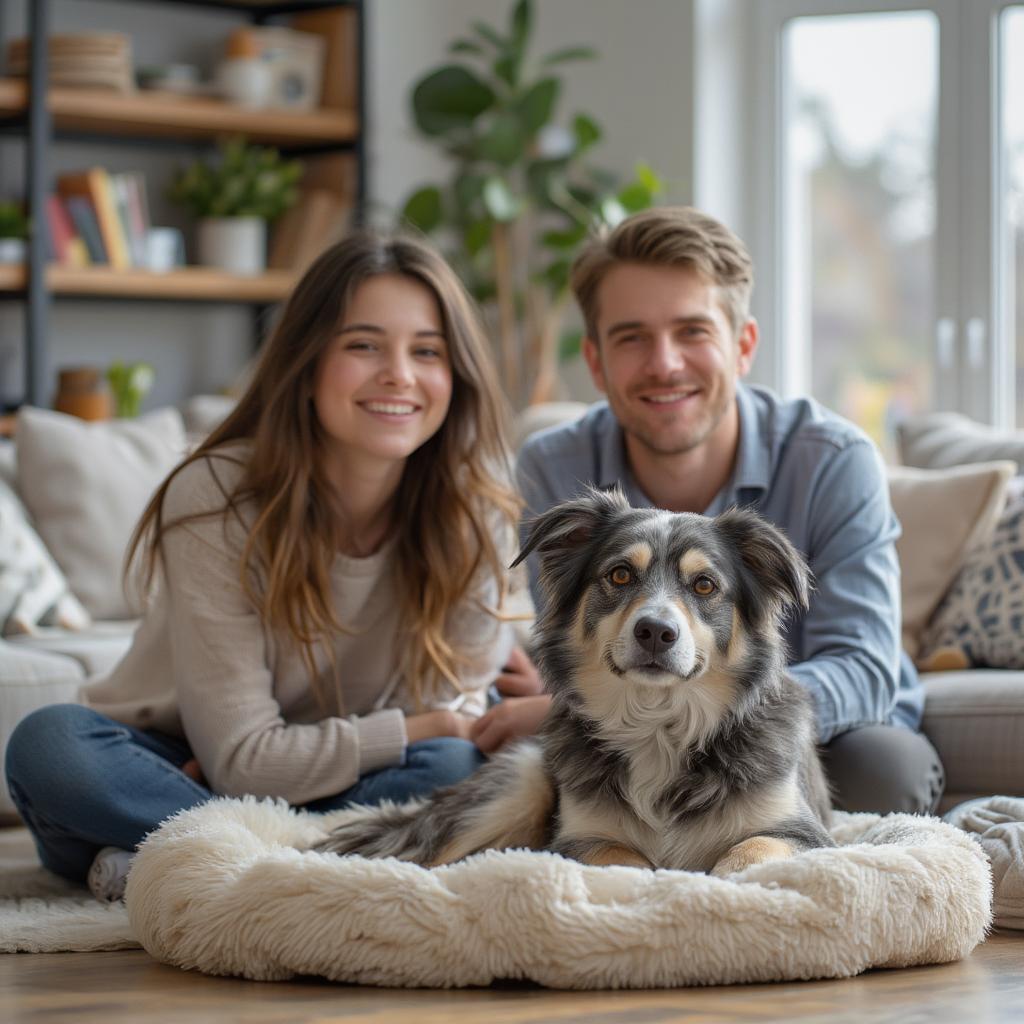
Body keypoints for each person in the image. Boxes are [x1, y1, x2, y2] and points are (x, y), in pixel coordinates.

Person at [5, 231, 529, 900]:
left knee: (452, 762)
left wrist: (264, 773)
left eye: (426, 351)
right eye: (363, 345)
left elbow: (447, 730)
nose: (399, 373)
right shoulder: (218, 494)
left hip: (349, 770)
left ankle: (186, 857)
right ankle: (302, 861)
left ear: (455, 375)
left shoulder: (477, 515)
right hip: (172, 757)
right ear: (308, 364)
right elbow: (241, 756)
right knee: (51, 746)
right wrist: (244, 773)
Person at [503, 206, 944, 816]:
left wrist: (721, 699)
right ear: (597, 361)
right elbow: (571, 642)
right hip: (625, 722)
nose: (665, 363)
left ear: (742, 346)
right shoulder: (553, 465)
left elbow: (866, 668)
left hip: (822, 724)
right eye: (632, 337)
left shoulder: (834, 460)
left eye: (692, 331)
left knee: (886, 773)